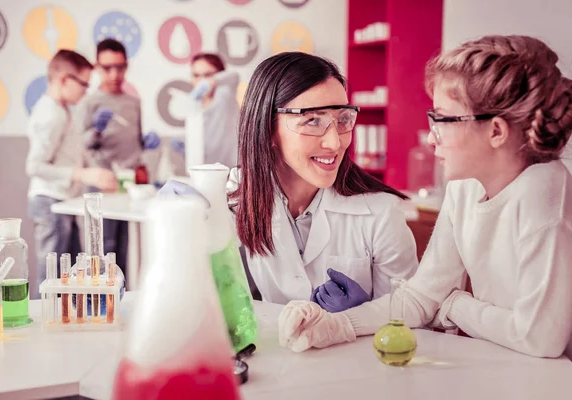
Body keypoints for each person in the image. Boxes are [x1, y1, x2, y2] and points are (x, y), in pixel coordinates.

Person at [279, 35, 572, 386]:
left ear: (495, 131)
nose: (431, 137)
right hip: (519, 371)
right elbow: (422, 296)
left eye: (442, 119)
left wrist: (456, 305)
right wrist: (338, 326)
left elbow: (540, 338)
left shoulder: (545, 198)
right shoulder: (466, 186)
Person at [161, 52, 418, 311]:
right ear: (267, 127)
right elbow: (184, 300)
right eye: (312, 121)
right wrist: (178, 230)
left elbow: (410, 319)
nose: (335, 142)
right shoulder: (235, 197)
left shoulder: (381, 212)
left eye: (342, 120)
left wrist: (365, 316)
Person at [26, 49, 118, 298]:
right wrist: (83, 175)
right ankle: (41, 329)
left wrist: (92, 170)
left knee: (70, 274)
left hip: (61, 202)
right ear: (64, 80)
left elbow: (68, 152)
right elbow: (34, 166)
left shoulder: (62, 110)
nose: (86, 91)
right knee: (51, 277)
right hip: (49, 201)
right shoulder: (51, 114)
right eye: (83, 84)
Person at [75, 39, 160, 275]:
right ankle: (101, 307)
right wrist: (96, 131)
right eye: (107, 68)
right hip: (100, 190)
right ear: (97, 67)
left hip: (129, 187)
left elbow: (136, 142)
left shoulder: (133, 102)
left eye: (120, 67)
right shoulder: (88, 102)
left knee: (123, 252)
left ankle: (120, 306)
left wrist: (146, 143)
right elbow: (79, 148)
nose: (115, 74)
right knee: (103, 251)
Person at [172, 53, 240, 170]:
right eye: (196, 75)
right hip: (205, 171)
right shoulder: (194, 103)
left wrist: (212, 82)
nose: (201, 81)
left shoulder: (224, 94)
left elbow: (234, 76)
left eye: (208, 75)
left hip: (231, 170)